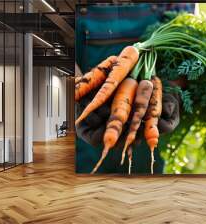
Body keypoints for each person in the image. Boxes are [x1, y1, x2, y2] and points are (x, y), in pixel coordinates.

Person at [75, 3, 195, 174]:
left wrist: (174, 86)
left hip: (148, 131)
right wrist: (77, 88)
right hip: (89, 122)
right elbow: (58, 34)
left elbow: (186, 36)